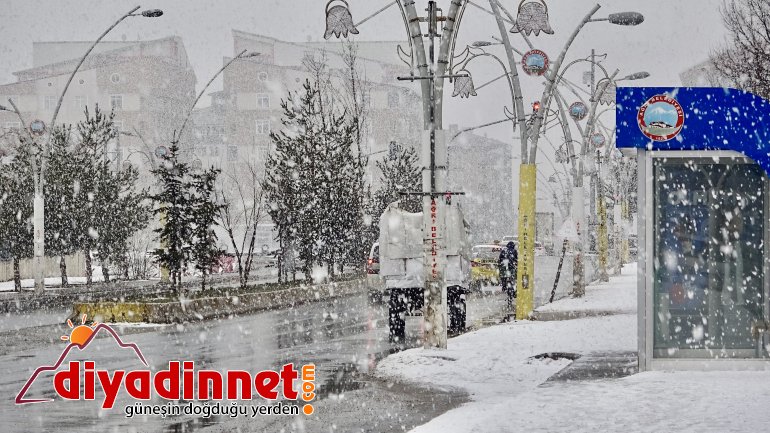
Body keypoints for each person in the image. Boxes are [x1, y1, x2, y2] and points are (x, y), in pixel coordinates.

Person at [498, 241, 518, 307]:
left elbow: (500, 259)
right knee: (513, 280)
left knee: (503, 277)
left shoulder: (503, 250)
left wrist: (500, 265)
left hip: (504, 268)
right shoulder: (514, 251)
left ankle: (503, 286)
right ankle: (513, 291)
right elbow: (516, 259)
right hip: (511, 268)